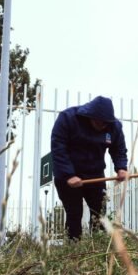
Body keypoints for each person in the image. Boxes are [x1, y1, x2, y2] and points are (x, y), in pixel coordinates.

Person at [51, 96, 128, 240]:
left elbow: (119, 149)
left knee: (99, 213)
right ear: (90, 116)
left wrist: (121, 168)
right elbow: (58, 148)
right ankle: (73, 246)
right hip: (68, 175)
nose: (102, 126)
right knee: (74, 213)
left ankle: (97, 245)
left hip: (95, 174)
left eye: (106, 123)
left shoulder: (114, 126)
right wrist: (69, 174)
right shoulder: (68, 119)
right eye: (99, 122)